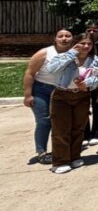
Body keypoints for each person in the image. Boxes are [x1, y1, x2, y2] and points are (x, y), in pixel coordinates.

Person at [45, 33, 98, 174]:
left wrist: (88, 83)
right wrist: (71, 53)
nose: (86, 46)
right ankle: (60, 161)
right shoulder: (64, 56)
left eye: (89, 44)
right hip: (62, 95)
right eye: (82, 43)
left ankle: (74, 156)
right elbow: (51, 69)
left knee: (78, 128)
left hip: (82, 96)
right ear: (75, 43)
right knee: (61, 129)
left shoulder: (95, 60)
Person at [22, 28, 73, 164]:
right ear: (55, 38)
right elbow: (30, 73)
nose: (64, 39)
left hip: (62, 91)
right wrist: (27, 95)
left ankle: (60, 150)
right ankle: (42, 152)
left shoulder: (74, 53)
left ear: (72, 38)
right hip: (41, 90)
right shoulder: (44, 53)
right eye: (60, 36)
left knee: (61, 122)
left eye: (67, 36)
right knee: (44, 121)